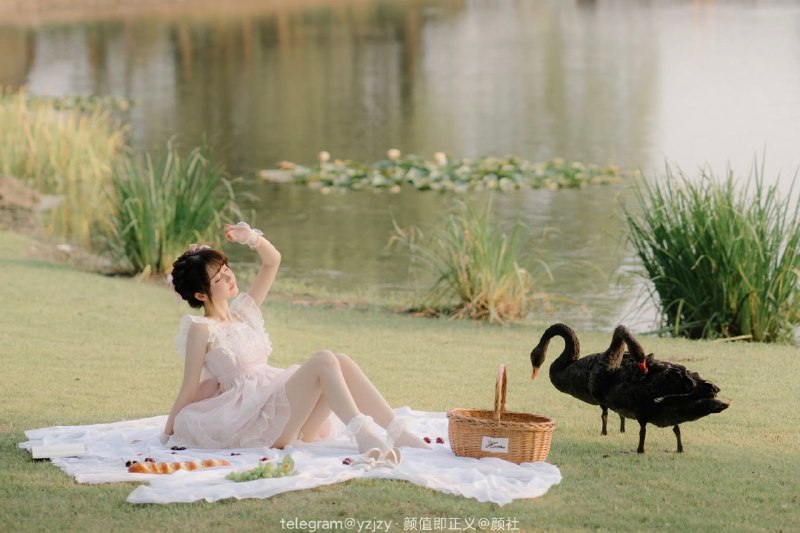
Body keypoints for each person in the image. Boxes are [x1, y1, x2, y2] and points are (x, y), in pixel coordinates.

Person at [163, 221, 428, 456]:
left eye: (226, 269)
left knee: (341, 361)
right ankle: (363, 435)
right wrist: (167, 433)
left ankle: (397, 432)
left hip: (285, 411)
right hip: (253, 421)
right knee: (324, 359)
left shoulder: (244, 312)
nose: (229, 277)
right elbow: (189, 387)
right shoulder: (202, 329)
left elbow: (272, 261)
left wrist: (250, 237)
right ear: (201, 295)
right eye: (219, 278)